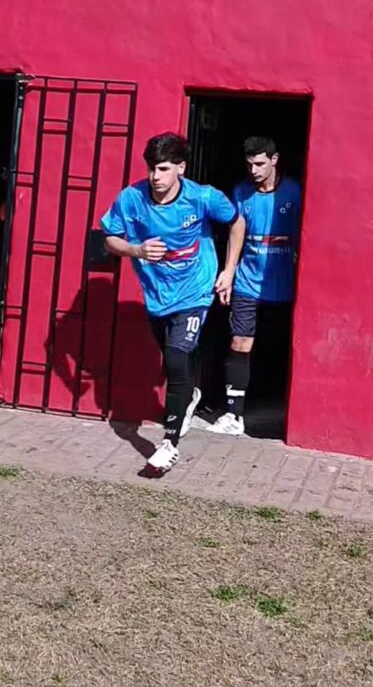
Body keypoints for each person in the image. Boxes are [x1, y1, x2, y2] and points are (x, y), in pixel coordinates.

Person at [102, 132, 244, 475]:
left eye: (164, 169)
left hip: (196, 291)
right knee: (172, 360)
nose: (156, 176)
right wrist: (136, 250)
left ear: (180, 168)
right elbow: (109, 238)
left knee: (177, 357)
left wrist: (228, 271)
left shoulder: (203, 197)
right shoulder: (131, 198)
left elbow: (237, 222)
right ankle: (190, 394)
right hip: (157, 295)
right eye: (152, 168)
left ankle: (169, 444)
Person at [207, 136, 302, 435]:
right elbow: (237, 232)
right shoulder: (241, 192)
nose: (254, 170)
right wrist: (228, 272)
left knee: (277, 347)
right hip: (247, 283)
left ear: (274, 160)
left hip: (285, 287)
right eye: (249, 164)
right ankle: (233, 415)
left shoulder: (295, 192)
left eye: (260, 164)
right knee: (239, 342)